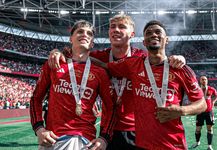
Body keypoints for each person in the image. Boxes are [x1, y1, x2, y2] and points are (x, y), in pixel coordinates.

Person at [48, 14, 187, 150]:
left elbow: (163, 62)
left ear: (132, 34)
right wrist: (57, 52)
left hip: (137, 129)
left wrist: (179, 58)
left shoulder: (142, 58)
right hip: (108, 131)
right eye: (112, 27)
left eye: (122, 26)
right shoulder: (98, 57)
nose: (116, 30)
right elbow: (73, 55)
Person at [90, 20, 207, 149]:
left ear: (166, 39)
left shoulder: (181, 69)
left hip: (173, 144)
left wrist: (181, 110)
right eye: (148, 33)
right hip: (142, 145)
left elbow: (202, 104)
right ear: (144, 42)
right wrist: (74, 55)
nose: (153, 35)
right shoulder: (133, 64)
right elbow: (104, 65)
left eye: (158, 32)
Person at [30, 20, 115, 150]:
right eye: (80, 31)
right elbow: (36, 98)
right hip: (53, 139)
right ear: (71, 38)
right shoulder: (54, 64)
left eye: (89, 33)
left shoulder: (100, 73)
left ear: (92, 43)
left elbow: (110, 107)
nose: (84, 35)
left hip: (85, 140)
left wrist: (104, 138)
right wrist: (39, 129)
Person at [191, 76, 217, 150]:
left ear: (207, 81)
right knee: (198, 129)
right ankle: (197, 142)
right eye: (202, 79)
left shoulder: (211, 89)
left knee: (210, 129)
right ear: (200, 81)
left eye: (205, 79)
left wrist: (213, 101)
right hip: (200, 112)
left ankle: (209, 145)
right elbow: (192, 97)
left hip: (209, 112)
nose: (204, 81)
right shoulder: (197, 89)